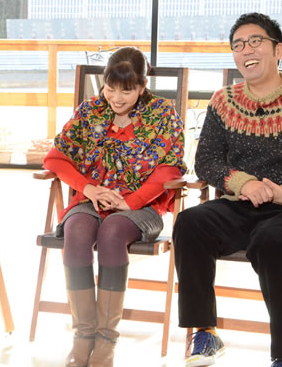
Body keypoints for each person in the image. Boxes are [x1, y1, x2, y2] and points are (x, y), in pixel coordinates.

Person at [173, 13, 282, 367]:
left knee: (271, 241)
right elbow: (206, 162)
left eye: (255, 41)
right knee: (189, 222)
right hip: (239, 206)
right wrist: (244, 183)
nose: (246, 50)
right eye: (238, 45)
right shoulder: (223, 101)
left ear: (278, 50)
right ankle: (203, 332)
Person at [43, 46, 186, 366]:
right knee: (77, 229)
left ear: (143, 86)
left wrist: (129, 202)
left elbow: (169, 170)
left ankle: (106, 341)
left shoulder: (163, 114)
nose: (117, 98)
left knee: (112, 231)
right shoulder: (90, 111)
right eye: (110, 89)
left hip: (142, 205)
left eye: (127, 90)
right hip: (93, 198)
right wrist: (89, 188)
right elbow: (56, 158)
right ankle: (83, 336)